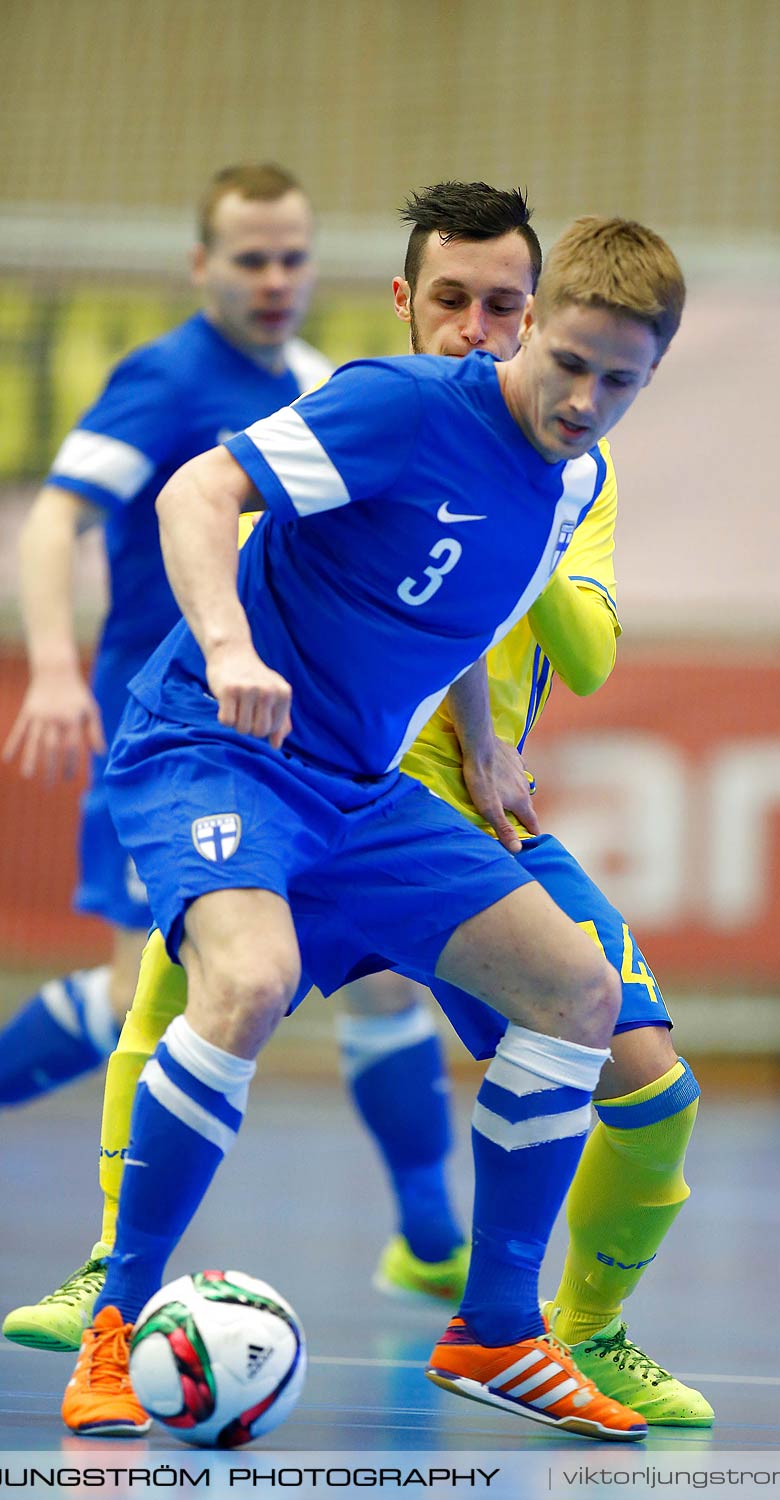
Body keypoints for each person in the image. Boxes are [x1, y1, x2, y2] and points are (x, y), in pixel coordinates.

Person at [57, 212, 691, 1445]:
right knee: (246, 982)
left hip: (360, 787)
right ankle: (116, 1323)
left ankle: (501, 1331)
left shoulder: (573, 484)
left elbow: (449, 610)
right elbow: (201, 490)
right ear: (530, 326)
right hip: (217, 747)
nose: (584, 398)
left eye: (621, 380)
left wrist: (486, 737)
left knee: (577, 992)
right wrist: (232, 647)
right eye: (567, 361)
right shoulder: (401, 406)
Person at [0, 162, 328, 1109]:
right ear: (200, 264)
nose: (275, 281)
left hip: (267, 717)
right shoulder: (166, 376)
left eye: (293, 259)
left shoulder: (314, 383)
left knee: (335, 977)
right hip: (162, 719)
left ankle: (428, 1240)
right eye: (251, 259)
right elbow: (54, 520)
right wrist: (56, 672)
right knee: (139, 988)